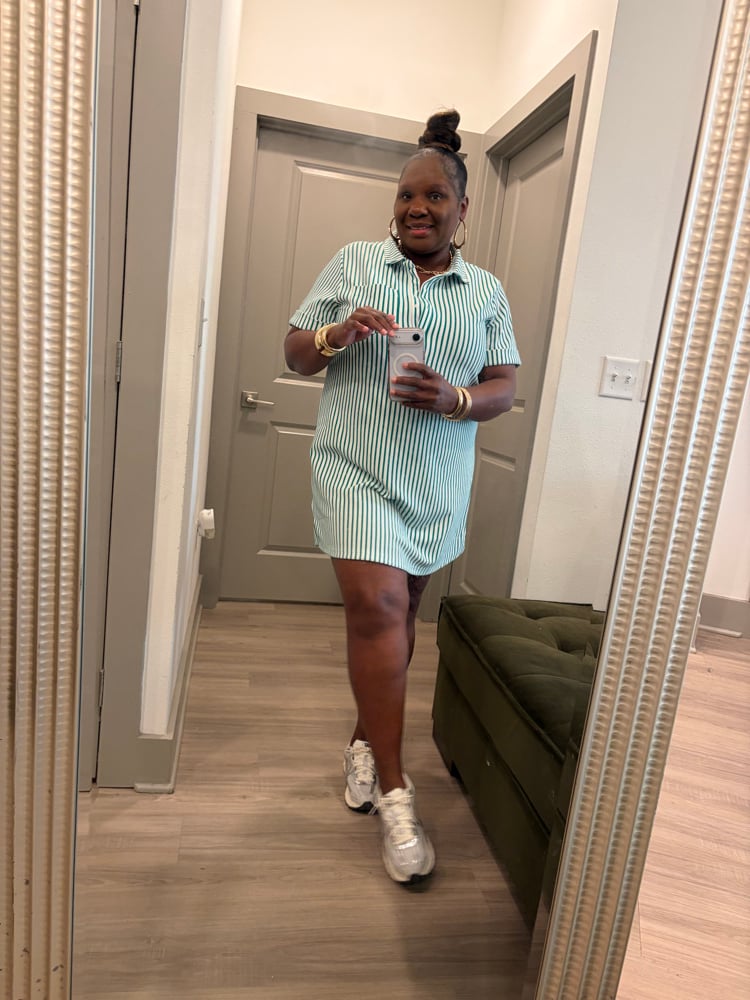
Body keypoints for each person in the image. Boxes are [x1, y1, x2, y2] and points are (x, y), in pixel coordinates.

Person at [284, 109, 520, 885]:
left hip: (435, 480)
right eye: (406, 196)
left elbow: (504, 386)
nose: (417, 208)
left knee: (400, 614)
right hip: (354, 468)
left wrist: (456, 398)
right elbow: (294, 353)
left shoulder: (485, 291)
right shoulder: (354, 263)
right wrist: (338, 334)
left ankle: (362, 742)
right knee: (379, 607)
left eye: (434, 197)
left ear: (461, 208)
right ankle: (394, 789)